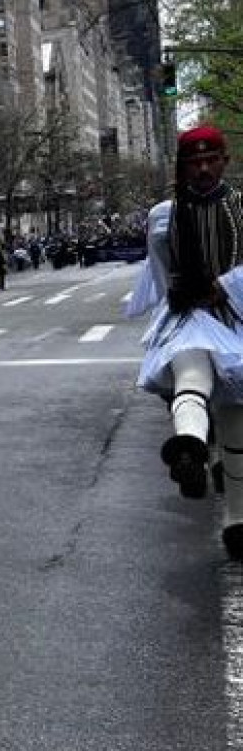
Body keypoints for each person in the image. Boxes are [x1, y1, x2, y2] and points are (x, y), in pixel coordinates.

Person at [127, 126, 243, 558]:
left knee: (234, 423)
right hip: (190, 315)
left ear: (225, 161)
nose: (204, 168)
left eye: (212, 159)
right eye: (195, 161)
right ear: (182, 166)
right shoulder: (163, 216)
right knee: (191, 373)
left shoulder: (238, 210)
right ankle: (191, 446)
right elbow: (158, 273)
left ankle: (237, 518)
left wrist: (224, 288)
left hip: (232, 316)